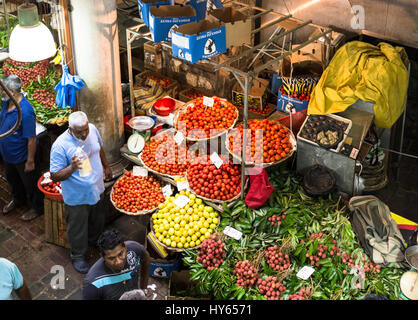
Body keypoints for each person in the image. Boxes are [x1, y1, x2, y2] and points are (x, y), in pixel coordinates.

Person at [50, 111, 112, 274]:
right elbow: (55, 175)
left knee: (97, 219)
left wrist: (106, 166)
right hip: (77, 196)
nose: (84, 134)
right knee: (77, 227)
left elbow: (99, 149)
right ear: (70, 129)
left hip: (97, 189)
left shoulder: (92, 129)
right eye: (79, 132)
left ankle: (95, 242)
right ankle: (78, 255)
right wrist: (72, 167)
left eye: (85, 130)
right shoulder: (60, 145)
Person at [0, 74, 44, 221]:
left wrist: (30, 161)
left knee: (31, 184)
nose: (1, 92)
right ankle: (18, 200)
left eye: (3, 90)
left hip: (22, 156)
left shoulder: (25, 111)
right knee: (13, 180)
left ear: (12, 91)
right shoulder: (6, 103)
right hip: (8, 155)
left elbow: (31, 139)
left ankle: (37, 208)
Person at [82, 229, 151, 300]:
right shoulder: (92, 283)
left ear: (125, 247)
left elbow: (146, 260)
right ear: (102, 257)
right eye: (111, 258)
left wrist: (143, 290)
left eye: (120, 254)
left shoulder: (135, 249)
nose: (118, 262)